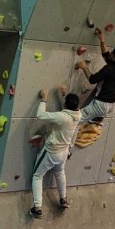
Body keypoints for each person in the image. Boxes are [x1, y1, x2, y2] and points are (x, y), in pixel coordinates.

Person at [29, 88, 82, 218]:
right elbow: (69, 108)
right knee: (60, 173)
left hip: (51, 153)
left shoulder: (62, 117)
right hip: (64, 152)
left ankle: (37, 207)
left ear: (66, 105)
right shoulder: (78, 115)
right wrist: (64, 95)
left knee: (37, 176)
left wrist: (44, 99)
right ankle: (63, 199)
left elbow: (41, 115)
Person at [74, 29, 115, 124]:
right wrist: (102, 40)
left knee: (74, 120)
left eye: (112, 53)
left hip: (101, 104)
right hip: (112, 104)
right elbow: (106, 55)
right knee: (78, 119)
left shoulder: (108, 69)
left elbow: (92, 79)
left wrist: (84, 67)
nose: (110, 53)